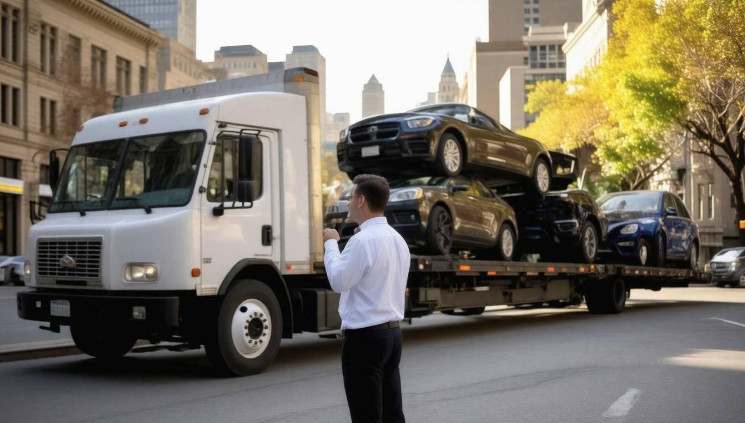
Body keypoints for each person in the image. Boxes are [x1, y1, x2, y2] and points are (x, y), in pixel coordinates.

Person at [323, 174, 410, 423]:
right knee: (392, 413)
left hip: (365, 338)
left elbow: (339, 281)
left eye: (351, 197)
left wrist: (331, 245)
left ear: (361, 200)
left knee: (366, 415)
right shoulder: (398, 239)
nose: (348, 202)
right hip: (392, 336)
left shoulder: (361, 241)